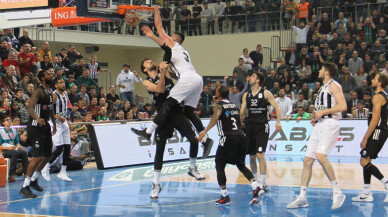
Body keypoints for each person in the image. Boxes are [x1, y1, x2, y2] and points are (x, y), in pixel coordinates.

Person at [131, 7, 213, 154]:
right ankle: (206, 139)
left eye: (171, 35)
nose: (168, 36)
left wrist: (156, 11)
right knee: (189, 111)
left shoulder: (173, 44)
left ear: (174, 38)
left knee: (168, 102)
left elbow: (159, 28)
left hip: (188, 79)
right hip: (196, 79)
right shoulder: (182, 51)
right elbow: (175, 71)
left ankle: (148, 131)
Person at [139, 59, 205, 200]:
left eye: (151, 60)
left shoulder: (166, 72)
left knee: (194, 140)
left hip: (176, 111)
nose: (150, 61)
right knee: (160, 150)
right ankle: (156, 184)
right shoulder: (146, 82)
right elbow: (159, 89)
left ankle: (192, 167)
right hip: (162, 116)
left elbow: (182, 78)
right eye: (147, 62)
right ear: (144, 69)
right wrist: (162, 73)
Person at [287, 62, 347, 210]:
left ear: (326, 72)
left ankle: (337, 191)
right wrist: (316, 117)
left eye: (321, 69)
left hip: (330, 123)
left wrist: (323, 113)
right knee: (307, 160)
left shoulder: (334, 85)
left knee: (320, 156)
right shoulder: (322, 87)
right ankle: (302, 197)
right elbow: (322, 108)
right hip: (320, 124)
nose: (319, 70)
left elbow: (343, 106)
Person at [198, 86, 263, 206]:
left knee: (219, 164)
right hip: (240, 136)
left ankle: (224, 196)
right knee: (240, 164)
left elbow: (215, 118)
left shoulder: (218, 105)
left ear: (218, 94)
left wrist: (204, 131)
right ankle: (256, 187)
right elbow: (241, 120)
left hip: (228, 137)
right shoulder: (234, 106)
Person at [240, 71, 282, 192]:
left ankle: (263, 184)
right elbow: (242, 111)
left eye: (252, 76)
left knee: (260, 154)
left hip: (262, 126)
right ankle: (256, 182)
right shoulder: (246, 95)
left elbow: (277, 107)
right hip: (249, 126)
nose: (250, 77)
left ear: (258, 80)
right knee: (252, 156)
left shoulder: (266, 93)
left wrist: (278, 121)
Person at [19, 69, 56, 199]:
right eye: (48, 74)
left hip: (45, 125)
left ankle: (34, 179)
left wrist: (54, 124)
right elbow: (30, 107)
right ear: (42, 78)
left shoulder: (50, 91)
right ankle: (25, 187)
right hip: (35, 127)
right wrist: (37, 118)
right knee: (37, 157)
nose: (51, 75)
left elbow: (50, 110)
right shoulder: (38, 91)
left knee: (47, 156)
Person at [351, 73, 388, 202]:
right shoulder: (383, 96)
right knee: (365, 159)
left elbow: (375, 119)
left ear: (379, 83)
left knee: (364, 161)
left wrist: (365, 138)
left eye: (374, 78)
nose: (371, 80)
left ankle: (386, 184)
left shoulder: (378, 97)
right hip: (380, 131)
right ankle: (366, 192)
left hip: (377, 131)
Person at [41, 78, 72, 182]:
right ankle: (46, 168)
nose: (63, 84)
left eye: (63, 82)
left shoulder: (66, 94)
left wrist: (67, 119)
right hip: (54, 123)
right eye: (60, 82)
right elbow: (46, 111)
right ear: (55, 85)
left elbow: (65, 109)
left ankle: (63, 172)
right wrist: (58, 117)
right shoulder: (53, 96)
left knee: (67, 147)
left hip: (63, 122)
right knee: (59, 148)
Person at [0, 116, 28, 182]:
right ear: (3, 123)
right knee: (15, 153)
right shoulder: (1, 132)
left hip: (13, 149)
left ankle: (26, 174)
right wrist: (9, 148)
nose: (9, 121)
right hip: (4, 151)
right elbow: (0, 146)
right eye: (7, 120)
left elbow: (16, 143)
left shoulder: (14, 131)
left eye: (10, 119)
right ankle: (11, 175)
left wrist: (18, 146)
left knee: (24, 153)